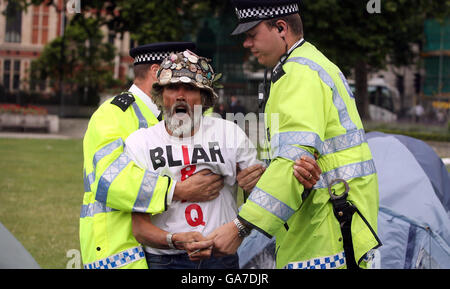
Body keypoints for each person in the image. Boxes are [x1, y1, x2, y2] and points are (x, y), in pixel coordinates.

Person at [208, 0, 382, 270]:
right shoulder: (312, 64)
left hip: (325, 229)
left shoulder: (298, 73)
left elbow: (293, 159)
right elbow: (306, 156)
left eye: (252, 35)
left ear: (280, 28)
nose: (246, 44)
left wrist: (240, 227)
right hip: (336, 222)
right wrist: (269, 172)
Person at [125, 50, 322, 269]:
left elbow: (256, 196)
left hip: (221, 257)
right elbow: (139, 227)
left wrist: (254, 185)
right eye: (172, 87)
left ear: (204, 98)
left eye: (190, 89)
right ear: (160, 96)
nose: (180, 95)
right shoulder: (139, 143)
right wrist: (175, 240)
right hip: (165, 260)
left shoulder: (229, 134)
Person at [80, 42, 226, 269]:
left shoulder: (186, 117)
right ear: (157, 73)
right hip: (123, 252)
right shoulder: (112, 114)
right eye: (179, 73)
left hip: (180, 253)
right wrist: (176, 190)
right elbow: (109, 179)